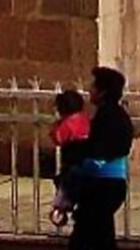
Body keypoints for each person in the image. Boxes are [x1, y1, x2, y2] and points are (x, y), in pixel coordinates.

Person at [69, 66, 134, 250]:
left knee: (86, 237)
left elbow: (99, 152)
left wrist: (78, 167)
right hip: (111, 184)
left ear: (103, 92)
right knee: (101, 235)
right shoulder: (117, 116)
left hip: (102, 185)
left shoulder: (108, 118)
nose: (90, 90)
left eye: (94, 86)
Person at [48, 88, 92, 226]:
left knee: (64, 184)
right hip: (89, 162)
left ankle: (61, 206)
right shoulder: (86, 119)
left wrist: (55, 127)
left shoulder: (67, 123)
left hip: (72, 163)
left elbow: (58, 139)